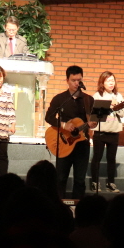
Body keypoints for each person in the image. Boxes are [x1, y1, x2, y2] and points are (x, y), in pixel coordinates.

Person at [45, 65, 95, 200]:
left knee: (80, 180)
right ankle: (58, 206)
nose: (76, 83)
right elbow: (48, 117)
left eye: (79, 80)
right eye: (73, 80)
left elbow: (93, 121)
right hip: (64, 143)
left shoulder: (88, 100)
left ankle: (78, 208)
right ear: (67, 80)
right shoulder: (60, 99)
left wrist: (93, 125)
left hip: (82, 144)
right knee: (60, 178)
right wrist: (63, 125)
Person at [90, 71, 124, 194]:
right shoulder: (97, 96)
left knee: (111, 158)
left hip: (114, 131)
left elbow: (123, 113)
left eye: (113, 80)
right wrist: (107, 106)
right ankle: (95, 182)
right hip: (100, 131)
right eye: (108, 81)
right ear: (102, 82)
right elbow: (93, 115)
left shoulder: (118, 96)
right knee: (97, 157)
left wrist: (116, 106)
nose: (111, 83)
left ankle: (111, 183)